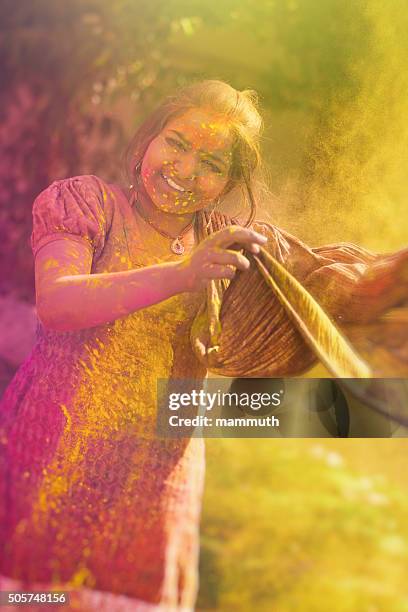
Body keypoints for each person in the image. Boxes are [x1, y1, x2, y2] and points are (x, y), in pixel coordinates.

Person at [0, 79, 406, 611]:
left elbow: (339, 287)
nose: (187, 170)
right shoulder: (88, 203)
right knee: (34, 601)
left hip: (153, 490)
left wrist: (380, 386)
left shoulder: (234, 249)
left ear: (231, 182)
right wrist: (182, 274)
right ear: (149, 136)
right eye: (177, 143)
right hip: (50, 463)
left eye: (213, 164)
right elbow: (57, 303)